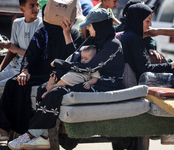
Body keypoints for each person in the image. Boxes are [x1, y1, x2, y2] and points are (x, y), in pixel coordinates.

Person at [8, 8, 125, 149]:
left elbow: (90, 68)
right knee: (43, 88)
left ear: (100, 26)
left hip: (103, 83)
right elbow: (75, 56)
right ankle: (43, 136)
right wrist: (57, 72)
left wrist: (60, 63)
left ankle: (32, 134)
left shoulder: (113, 45)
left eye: (90, 25)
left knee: (56, 92)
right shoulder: (93, 39)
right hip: (85, 78)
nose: (87, 27)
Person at [0, 4, 82, 141]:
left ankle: (30, 132)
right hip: (40, 72)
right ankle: (5, 129)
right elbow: (30, 55)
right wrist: (24, 71)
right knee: (13, 83)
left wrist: (66, 33)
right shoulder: (42, 33)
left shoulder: (73, 33)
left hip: (62, 73)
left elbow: (75, 59)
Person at [119, 3, 174, 145]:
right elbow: (144, 67)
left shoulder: (128, 35)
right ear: (137, 20)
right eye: (147, 21)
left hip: (132, 81)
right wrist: (170, 65)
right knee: (171, 85)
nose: (150, 25)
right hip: (137, 83)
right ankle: (168, 133)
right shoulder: (134, 38)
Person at [0, 0, 43, 87]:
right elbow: (12, 50)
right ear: (22, 9)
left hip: (28, 70)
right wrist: (1, 68)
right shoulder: (17, 23)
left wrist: (16, 50)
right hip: (13, 67)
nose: (36, 8)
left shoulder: (41, 25)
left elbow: (37, 55)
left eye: (37, 5)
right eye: (32, 5)